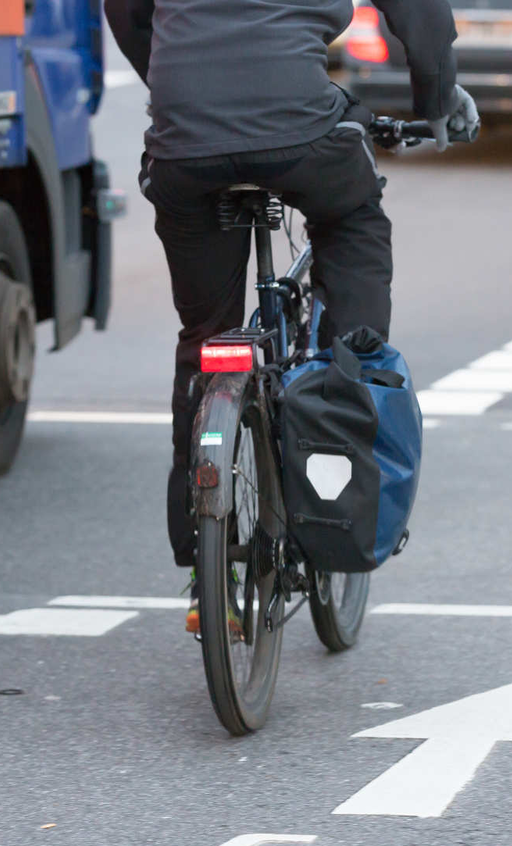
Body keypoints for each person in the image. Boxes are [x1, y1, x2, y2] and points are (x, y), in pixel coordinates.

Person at [105, 0, 478, 631]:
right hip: (301, 130)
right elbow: (420, 13)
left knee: (204, 341)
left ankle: (207, 567)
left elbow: (124, 10)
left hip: (184, 142)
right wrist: (437, 99)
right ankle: (344, 378)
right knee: (354, 223)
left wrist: (175, 82)